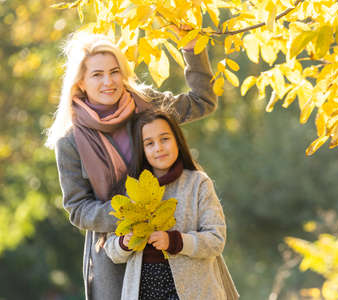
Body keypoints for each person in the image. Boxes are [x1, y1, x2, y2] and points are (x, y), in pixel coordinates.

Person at [49, 29, 218, 300]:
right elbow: (78, 209)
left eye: (114, 71)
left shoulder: (146, 104)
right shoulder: (70, 141)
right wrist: (132, 215)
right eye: (97, 74)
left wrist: (192, 48)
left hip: (175, 241)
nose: (109, 81)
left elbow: (203, 101)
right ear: (80, 82)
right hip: (116, 254)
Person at [104, 111, 239, 300]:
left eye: (165, 139)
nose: (158, 148)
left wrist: (175, 241)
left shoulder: (198, 183)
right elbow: (110, 249)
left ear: (177, 140)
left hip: (195, 291)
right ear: (141, 149)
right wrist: (124, 243)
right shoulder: (131, 189)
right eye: (149, 143)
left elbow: (216, 239)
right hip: (143, 292)